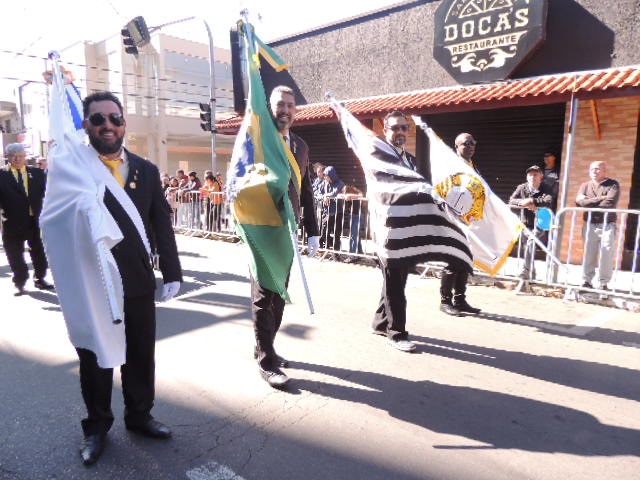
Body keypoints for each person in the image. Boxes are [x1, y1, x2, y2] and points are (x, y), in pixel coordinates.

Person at [75, 91, 182, 465]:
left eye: (114, 118)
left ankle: (139, 416)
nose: (108, 125)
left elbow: (161, 224)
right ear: (86, 125)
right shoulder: (74, 170)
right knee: (96, 360)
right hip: (93, 282)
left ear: (124, 124)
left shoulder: (146, 170)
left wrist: (172, 272)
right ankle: (96, 427)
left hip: (136, 280)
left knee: (139, 353)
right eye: (98, 119)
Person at [251, 85, 320, 388]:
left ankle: (266, 347)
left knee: (279, 296)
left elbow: (305, 190)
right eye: (280, 105)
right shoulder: (258, 140)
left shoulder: (301, 146)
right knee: (263, 296)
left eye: (290, 106)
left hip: (287, 232)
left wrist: (313, 231)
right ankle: (266, 362)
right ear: (270, 107)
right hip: (262, 229)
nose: (285, 110)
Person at [371, 110, 419, 352]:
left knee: (395, 280)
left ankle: (380, 322)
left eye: (404, 127)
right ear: (385, 131)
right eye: (395, 128)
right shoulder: (379, 158)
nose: (400, 132)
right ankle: (397, 333)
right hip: (388, 231)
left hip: (406, 230)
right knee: (395, 283)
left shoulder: (411, 160)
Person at [0, 143, 54, 295]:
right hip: (11, 222)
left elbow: (48, 195)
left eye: (20, 156)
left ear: (25, 157)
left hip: (35, 221)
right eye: (13, 156)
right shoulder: (2, 175)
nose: (17, 159)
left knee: (39, 252)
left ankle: (40, 278)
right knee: (15, 255)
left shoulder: (37, 173)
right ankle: (20, 281)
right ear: (7, 157)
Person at [439, 133, 481, 316]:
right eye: (466, 143)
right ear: (456, 147)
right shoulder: (452, 167)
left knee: (464, 261)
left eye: (473, 143)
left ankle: (460, 300)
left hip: (469, 222)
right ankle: (445, 301)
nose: (471, 146)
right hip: (453, 222)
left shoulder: (472, 166)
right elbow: (444, 192)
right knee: (452, 261)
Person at [575, 160, 620, 289]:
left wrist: (587, 201)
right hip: (589, 224)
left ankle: (603, 283)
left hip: (607, 225)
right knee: (589, 253)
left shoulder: (613, 184)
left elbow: (609, 203)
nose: (594, 171)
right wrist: (600, 198)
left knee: (606, 253)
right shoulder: (585, 185)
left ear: (605, 171)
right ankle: (587, 281)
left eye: (597, 169)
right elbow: (579, 203)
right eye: (592, 169)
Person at [509, 165, 554, 279]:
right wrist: (522, 202)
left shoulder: (546, 187)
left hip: (540, 222)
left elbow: (548, 201)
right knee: (528, 248)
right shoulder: (522, 187)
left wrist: (532, 201)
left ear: (541, 176)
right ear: (527, 177)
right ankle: (531, 275)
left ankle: (525, 271)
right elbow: (511, 200)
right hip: (525, 222)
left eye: (535, 175)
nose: (532, 177)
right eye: (530, 175)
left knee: (531, 242)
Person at [317, 166, 346, 251]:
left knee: (337, 233)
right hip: (327, 212)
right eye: (324, 176)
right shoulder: (324, 183)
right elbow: (318, 193)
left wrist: (326, 196)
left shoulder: (340, 183)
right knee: (324, 232)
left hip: (337, 212)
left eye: (326, 176)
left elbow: (335, 193)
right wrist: (323, 197)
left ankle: (336, 252)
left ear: (331, 175)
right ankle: (326, 248)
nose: (325, 177)